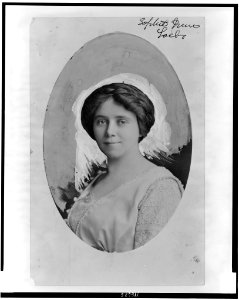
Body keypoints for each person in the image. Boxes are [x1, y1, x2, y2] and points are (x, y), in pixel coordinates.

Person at [67, 83, 184, 252]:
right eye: (101, 121)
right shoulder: (98, 181)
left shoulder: (161, 187)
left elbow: (153, 263)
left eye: (121, 121)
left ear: (140, 127)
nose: (110, 131)